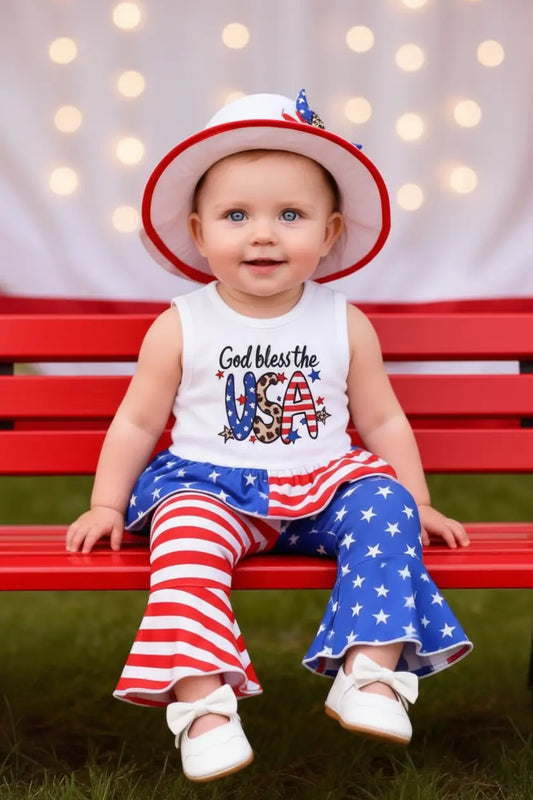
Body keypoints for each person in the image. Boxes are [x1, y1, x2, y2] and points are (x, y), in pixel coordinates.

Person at [66, 90, 472, 783]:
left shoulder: (342, 321)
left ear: (331, 229)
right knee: (186, 537)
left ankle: (368, 673)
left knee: (384, 505)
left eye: (290, 215)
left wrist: (418, 498)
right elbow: (136, 420)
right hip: (210, 485)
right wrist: (108, 504)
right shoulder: (181, 324)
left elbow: (380, 420)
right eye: (236, 216)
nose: (263, 234)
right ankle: (203, 707)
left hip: (323, 484)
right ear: (198, 233)